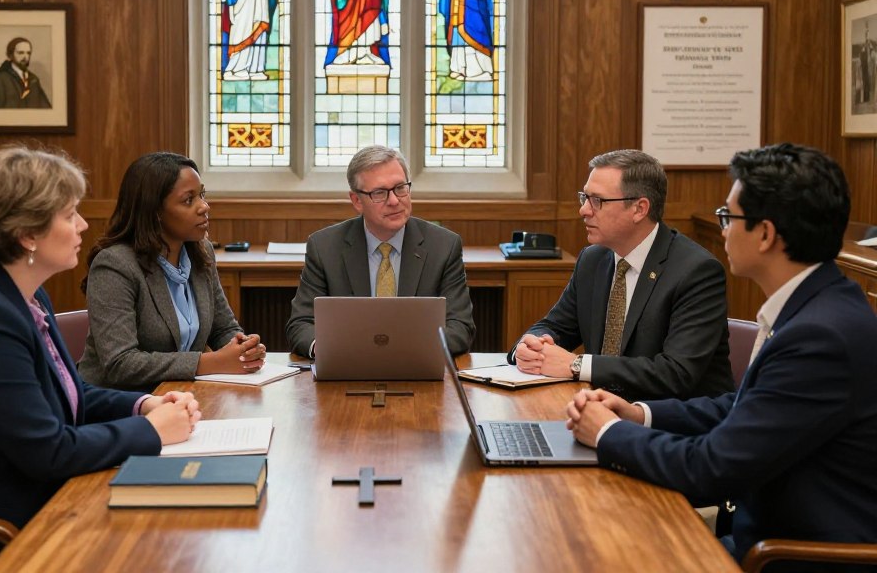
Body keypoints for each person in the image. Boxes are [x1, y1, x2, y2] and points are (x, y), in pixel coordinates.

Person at [566, 143, 877, 567]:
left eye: (729, 217)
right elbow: (744, 407)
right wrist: (640, 414)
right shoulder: (818, 307)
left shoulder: (820, 336)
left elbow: (711, 468)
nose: (723, 230)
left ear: (765, 234)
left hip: (793, 555)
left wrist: (607, 433)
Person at [0, 146, 199, 573]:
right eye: (69, 215)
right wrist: (149, 432)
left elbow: (67, 393)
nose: (84, 224)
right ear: (27, 234)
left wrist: (143, 404)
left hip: (42, 497)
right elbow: (46, 450)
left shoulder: (22, 294)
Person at [510, 149, 733, 400]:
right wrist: (532, 346)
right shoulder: (593, 259)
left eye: (597, 201)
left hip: (672, 425)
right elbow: (556, 325)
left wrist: (577, 365)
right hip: (600, 413)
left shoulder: (696, 271)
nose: (584, 210)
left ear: (639, 209)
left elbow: (675, 373)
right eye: (584, 197)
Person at [80, 152, 266, 392]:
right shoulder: (115, 265)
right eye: (189, 200)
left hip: (182, 394)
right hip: (120, 404)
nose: (204, 207)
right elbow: (120, 363)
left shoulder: (202, 252)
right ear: (154, 211)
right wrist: (210, 362)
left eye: (202, 195)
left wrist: (242, 348)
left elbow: (223, 328)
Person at [286, 145, 475, 358]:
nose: (394, 201)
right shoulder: (325, 247)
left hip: (418, 370)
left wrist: (403, 349)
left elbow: (460, 327)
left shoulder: (443, 246)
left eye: (400, 188)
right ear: (357, 201)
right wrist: (326, 348)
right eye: (379, 193)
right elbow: (301, 324)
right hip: (346, 367)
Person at [0, 37, 52, 108]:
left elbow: (46, 109)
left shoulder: (34, 80)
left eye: (28, 53)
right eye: (21, 53)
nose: (25, 57)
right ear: (10, 55)